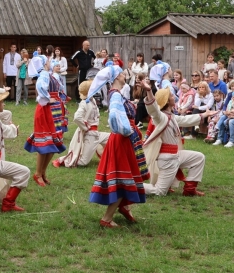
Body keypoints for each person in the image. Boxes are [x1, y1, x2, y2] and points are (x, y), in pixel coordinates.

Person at [86, 65, 148, 227]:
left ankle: (124, 207)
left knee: (127, 175)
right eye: (121, 74)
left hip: (123, 138)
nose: (124, 75)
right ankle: (106, 219)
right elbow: (114, 115)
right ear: (115, 78)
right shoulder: (115, 95)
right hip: (122, 139)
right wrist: (125, 129)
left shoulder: (117, 94)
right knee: (123, 178)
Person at [142, 79, 208, 196]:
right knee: (160, 191)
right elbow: (153, 109)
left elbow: (185, 120)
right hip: (167, 159)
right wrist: (148, 91)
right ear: (167, 101)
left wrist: (204, 115)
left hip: (175, 156)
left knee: (199, 158)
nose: (174, 96)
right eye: (172, 95)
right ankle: (129, 185)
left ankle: (189, 190)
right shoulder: (160, 117)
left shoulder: (171, 116)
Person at [23, 55, 65, 187]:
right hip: (45, 110)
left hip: (52, 111)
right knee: (45, 144)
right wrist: (47, 98)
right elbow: (40, 87)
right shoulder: (44, 74)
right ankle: (38, 173)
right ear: (43, 64)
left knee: (52, 144)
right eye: (47, 61)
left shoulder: (50, 74)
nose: (49, 61)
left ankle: (43, 172)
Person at [53, 80, 109, 168]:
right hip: (90, 134)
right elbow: (77, 117)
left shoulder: (92, 100)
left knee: (113, 138)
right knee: (83, 162)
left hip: (96, 133)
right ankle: (62, 160)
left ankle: (107, 157)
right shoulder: (84, 103)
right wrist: (86, 127)